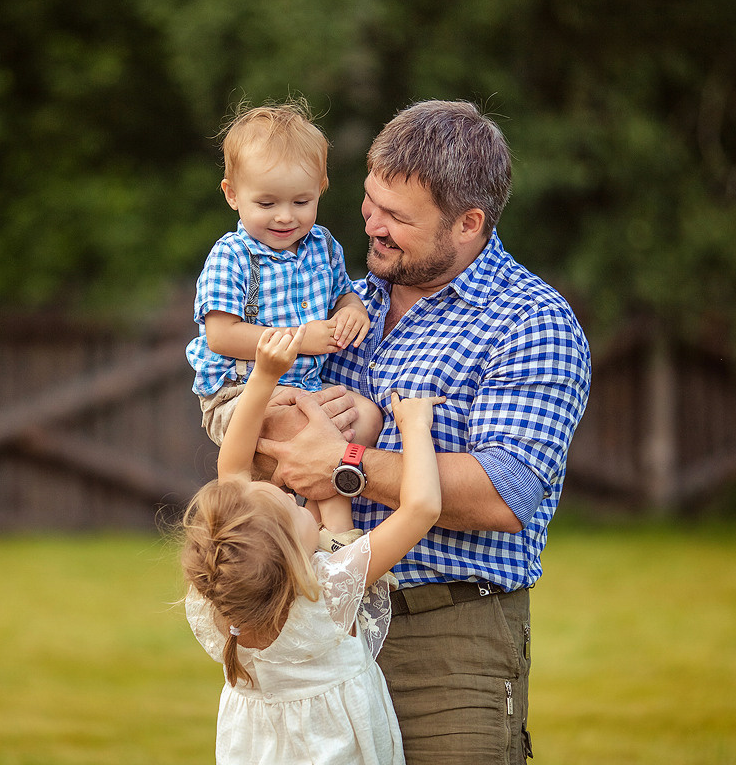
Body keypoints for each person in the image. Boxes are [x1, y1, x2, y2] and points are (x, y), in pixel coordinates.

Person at [255, 100, 593, 764]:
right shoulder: (341, 303)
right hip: (315, 625)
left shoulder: (530, 321)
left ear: (469, 223)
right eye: (370, 201)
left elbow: (504, 493)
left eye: (398, 217)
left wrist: (347, 461)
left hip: (448, 640)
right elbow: (268, 450)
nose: (372, 225)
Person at [180, 324, 446, 765]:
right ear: (292, 554)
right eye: (289, 505)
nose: (291, 494)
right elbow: (421, 508)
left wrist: (265, 377)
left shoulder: (227, 590)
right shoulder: (331, 586)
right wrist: (414, 427)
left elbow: (234, 467)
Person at [185, 99, 382, 533]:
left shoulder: (323, 246)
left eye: (301, 201)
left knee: (367, 416)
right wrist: (300, 339)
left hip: (304, 390)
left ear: (321, 189)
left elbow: (343, 295)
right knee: (311, 433)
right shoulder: (232, 256)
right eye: (266, 202)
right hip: (241, 394)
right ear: (232, 194)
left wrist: (352, 310)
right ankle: (341, 537)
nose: (285, 216)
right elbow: (221, 335)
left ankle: (311, 523)